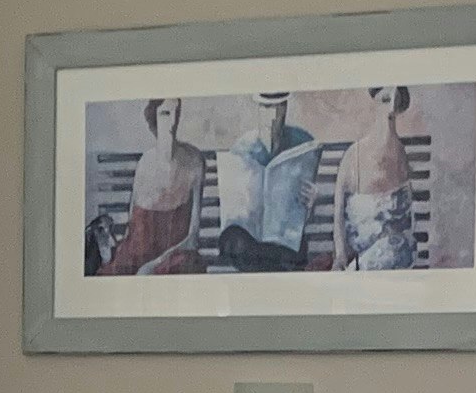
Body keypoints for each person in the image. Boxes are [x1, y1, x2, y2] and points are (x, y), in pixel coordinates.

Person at [215, 93, 322, 272]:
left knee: (285, 251)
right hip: (249, 236)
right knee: (236, 243)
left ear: (285, 109)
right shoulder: (242, 147)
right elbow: (232, 209)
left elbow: (303, 217)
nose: (272, 115)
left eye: (278, 107)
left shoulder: (302, 143)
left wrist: (312, 202)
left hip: (284, 237)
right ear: (258, 109)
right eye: (266, 107)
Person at [101, 96, 206, 276]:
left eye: (176, 113)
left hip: (175, 257)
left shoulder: (195, 161)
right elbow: (131, 228)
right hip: (137, 254)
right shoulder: (144, 163)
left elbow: (193, 238)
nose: (172, 121)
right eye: (165, 114)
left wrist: (154, 265)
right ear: (153, 117)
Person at [335, 87, 420, 270]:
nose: (389, 110)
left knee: (394, 247)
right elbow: (338, 213)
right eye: (386, 100)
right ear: (376, 101)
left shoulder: (400, 155)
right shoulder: (353, 156)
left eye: (395, 102)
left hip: (393, 257)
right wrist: (340, 256)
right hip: (360, 261)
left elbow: (406, 221)